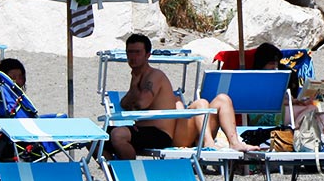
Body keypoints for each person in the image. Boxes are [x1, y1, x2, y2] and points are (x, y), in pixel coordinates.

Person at [108, 33, 260, 158]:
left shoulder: (152, 76)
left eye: (137, 52)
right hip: (177, 134)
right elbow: (125, 104)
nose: (133, 57)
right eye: (129, 52)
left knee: (222, 99)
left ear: (148, 55)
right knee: (200, 104)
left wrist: (134, 88)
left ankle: (232, 142)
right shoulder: (138, 77)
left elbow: (140, 104)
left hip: (169, 135)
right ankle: (208, 143)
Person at [253, 42, 324, 134]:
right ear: (262, 63)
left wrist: (302, 100)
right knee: (311, 109)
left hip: (284, 110)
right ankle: (296, 130)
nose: (275, 67)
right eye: (271, 64)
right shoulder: (258, 79)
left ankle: (321, 131)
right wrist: (295, 101)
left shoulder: (277, 76)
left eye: (276, 63)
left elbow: (287, 99)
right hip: (266, 114)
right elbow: (269, 101)